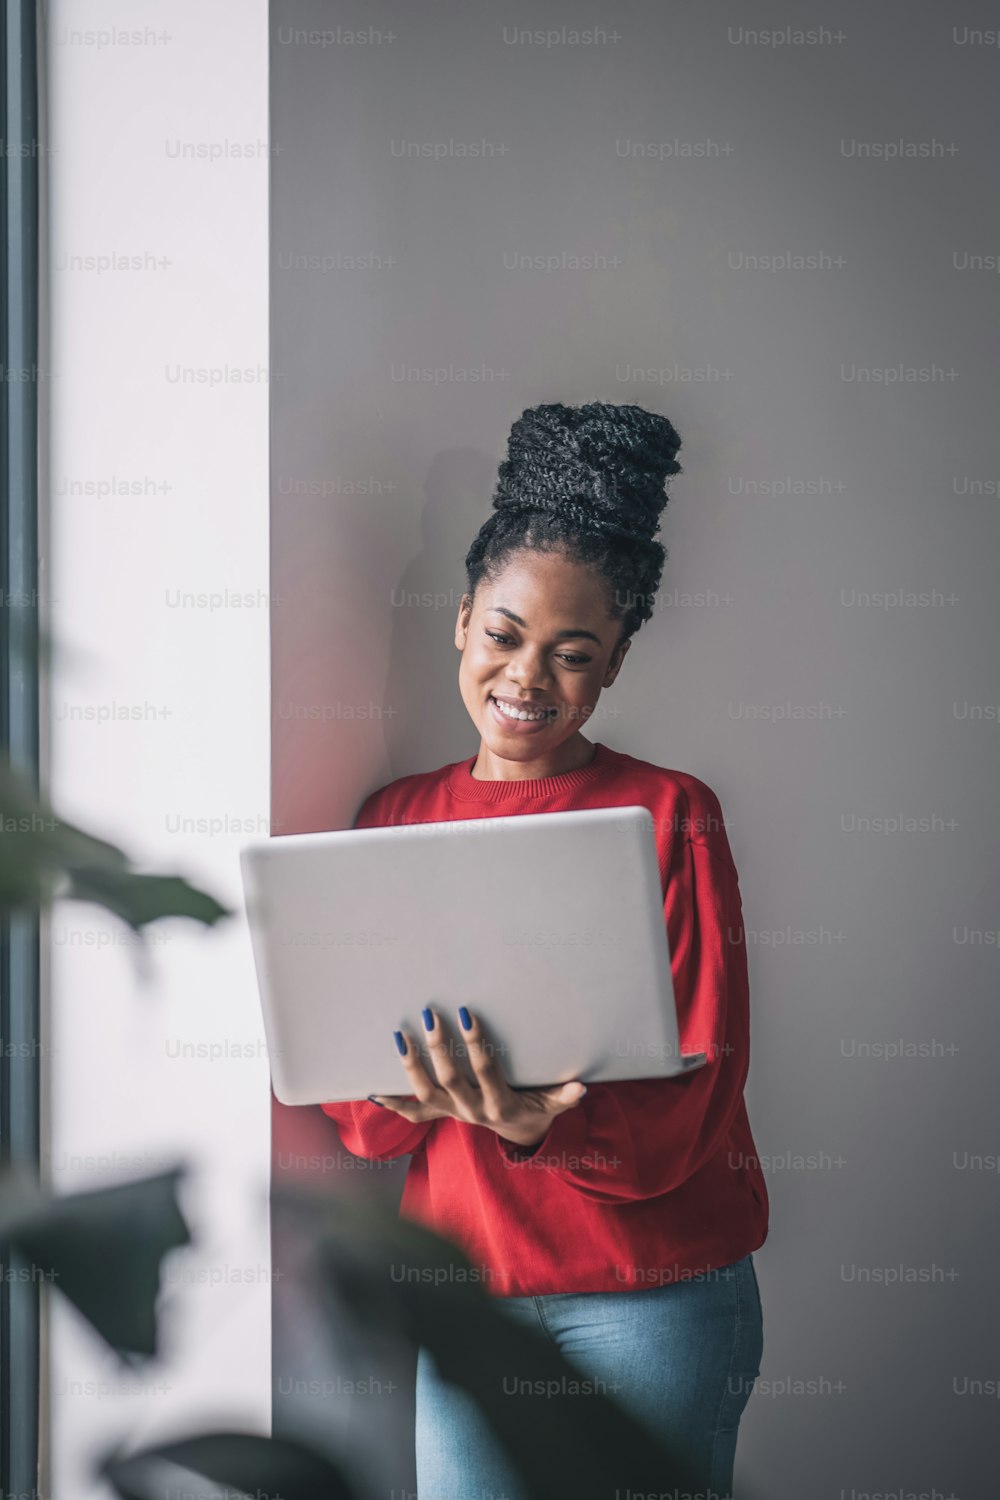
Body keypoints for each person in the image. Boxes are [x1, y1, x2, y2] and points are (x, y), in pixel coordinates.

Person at [320, 400, 768, 1500]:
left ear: (613, 665)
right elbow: (354, 1098)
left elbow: (701, 1081)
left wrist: (539, 1129)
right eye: (504, 635)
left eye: (574, 655)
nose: (527, 678)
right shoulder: (391, 820)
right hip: (470, 1295)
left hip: (655, 1295)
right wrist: (413, 1101)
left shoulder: (670, 815)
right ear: (462, 618)